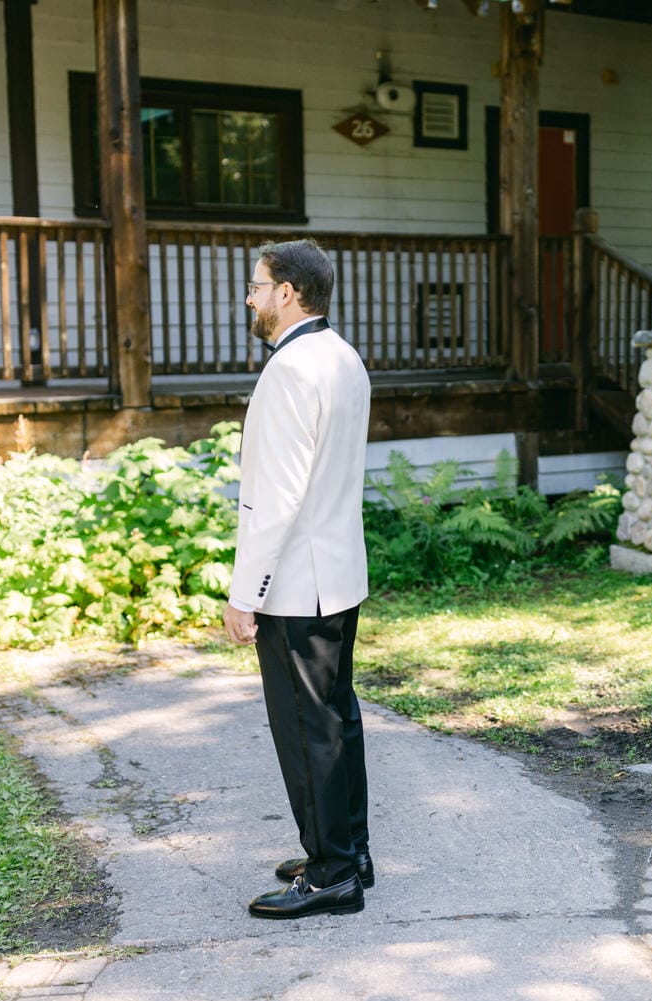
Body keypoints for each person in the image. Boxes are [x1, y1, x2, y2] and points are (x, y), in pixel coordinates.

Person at [223, 239, 374, 920]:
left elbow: (275, 497)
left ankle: (332, 871)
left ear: (288, 291)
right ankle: (351, 848)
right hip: (339, 570)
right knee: (338, 716)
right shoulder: (344, 357)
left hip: (297, 583)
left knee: (307, 726)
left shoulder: (288, 371)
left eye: (257, 286)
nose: (251, 298)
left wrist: (242, 593)